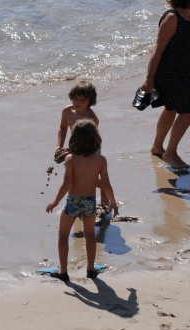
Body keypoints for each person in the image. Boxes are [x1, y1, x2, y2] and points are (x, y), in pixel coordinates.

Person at [46, 121, 118, 281]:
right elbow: (105, 184)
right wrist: (113, 201)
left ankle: (63, 271)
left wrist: (55, 201)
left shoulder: (70, 159)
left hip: (73, 201)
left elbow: (66, 184)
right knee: (90, 234)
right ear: (96, 140)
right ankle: (91, 269)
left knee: (63, 235)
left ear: (74, 140)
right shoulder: (101, 160)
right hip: (90, 202)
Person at [142, 0, 190, 170]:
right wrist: (149, 80)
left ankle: (157, 147)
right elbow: (157, 50)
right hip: (168, 71)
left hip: (184, 70)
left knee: (171, 107)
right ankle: (170, 153)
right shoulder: (172, 17)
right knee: (189, 109)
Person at [55, 81, 109, 209]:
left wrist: (72, 153)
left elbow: (91, 141)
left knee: (90, 176)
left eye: (82, 100)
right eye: (75, 98)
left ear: (90, 102)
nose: (77, 102)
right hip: (75, 145)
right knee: (75, 175)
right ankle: (77, 200)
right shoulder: (67, 111)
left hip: (91, 147)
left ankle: (105, 198)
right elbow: (63, 129)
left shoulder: (92, 119)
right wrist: (59, 146)